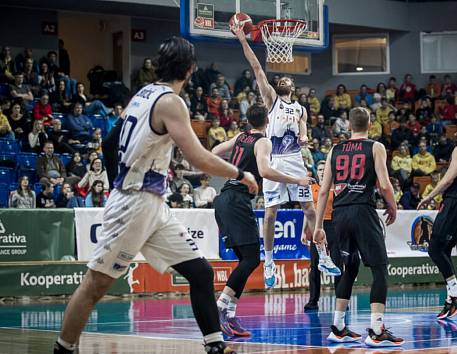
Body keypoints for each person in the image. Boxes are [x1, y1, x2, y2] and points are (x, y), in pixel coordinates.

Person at [53, 36, 257, 354]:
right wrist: (241, 174)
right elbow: (197, 159)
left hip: (152, 203)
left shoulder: (142, 95)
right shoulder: (171, 102)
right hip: (134, 202)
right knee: (96, 284)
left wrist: (118, 180)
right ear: (190, 71)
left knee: (200, 271)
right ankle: (63, 349)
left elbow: (109, 142)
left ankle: (215, 345)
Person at [211, 105, 314, 336]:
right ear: (268, 120)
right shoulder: (263, 142)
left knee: (246, 261)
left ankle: (229, 314)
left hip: (224, 198)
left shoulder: (240, 136)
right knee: (250, 260)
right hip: (236, 200)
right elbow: (265, 171)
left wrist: (232, 169)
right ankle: (219, 307)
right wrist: (297, 180)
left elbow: (216, 150)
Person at [233, 23, 321, 289]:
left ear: (293, 86)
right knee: (270, 214)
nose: (283, 80)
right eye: (280, 79)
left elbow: (304, 133)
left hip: (294, 158)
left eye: (287, 80)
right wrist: (242, 40)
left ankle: (323, 253)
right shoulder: (272, 100)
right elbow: (258, 68)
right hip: (273, 159)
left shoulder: (301, 109)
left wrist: (305, 138)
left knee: (309, 208)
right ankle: (269, 259)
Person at [314, 107, 403, 347]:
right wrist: (392, 205)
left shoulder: (335, 149)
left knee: (349, 269)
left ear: (349, 126)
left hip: (340, 214)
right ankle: (376, 331)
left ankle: (339, 326)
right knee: (380, 269)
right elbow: (384, 185)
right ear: (370, 124)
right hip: (362, 211)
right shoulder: (375, 147)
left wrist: (319, 225)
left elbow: (324, 191)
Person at [417, 119, 457, 320]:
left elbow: (448, 179)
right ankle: (451, 297)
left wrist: (429, 196)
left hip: (453, 203)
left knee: (434, 249)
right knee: (443, 251)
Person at [304, 160, 343, 312]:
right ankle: (313, 301)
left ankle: (341, 299)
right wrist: (304, 231)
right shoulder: (312, 188)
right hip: (316, 228)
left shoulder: (336, 188)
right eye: (319, 169)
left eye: (324, 169)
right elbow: (307, 210)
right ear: (316, 171)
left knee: (338, 265)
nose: (321, 171)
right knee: (314, 266)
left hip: (333, 227)